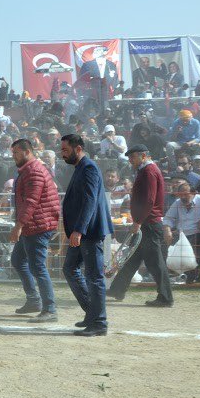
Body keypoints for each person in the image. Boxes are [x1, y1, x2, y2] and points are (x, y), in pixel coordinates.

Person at [59, 134, 113, 337]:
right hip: (80, 232)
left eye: (65, 150)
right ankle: (92, 313)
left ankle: (99, 322)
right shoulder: (81, 168)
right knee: (70, 269)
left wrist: (79, 230)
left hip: (89, 232)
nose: (62, 153)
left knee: (94, 277)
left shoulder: (89, 168)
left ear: (78, 148)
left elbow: (90, 201)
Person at [106, 145, 173, 306]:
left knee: (155, 262)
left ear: (143, 156)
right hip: (146, 222)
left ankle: (165, 297)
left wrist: (138, 221)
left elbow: (149, 200)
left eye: (133, 157)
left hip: (148, 223)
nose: (130, 160)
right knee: (132, 258)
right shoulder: (147, 170)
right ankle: (117, 290)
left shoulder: (149, 171)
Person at [9, 139, 61, 322]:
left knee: (38, 267)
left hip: (37, 225)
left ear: (27, 151)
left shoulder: (34, 171)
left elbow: (31, 201)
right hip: (33, 224)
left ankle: (50, 309)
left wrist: (18, 226)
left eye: (15, 152)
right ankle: (34, 300)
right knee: (18, 260)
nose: (13, 156)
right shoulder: (30, 170)